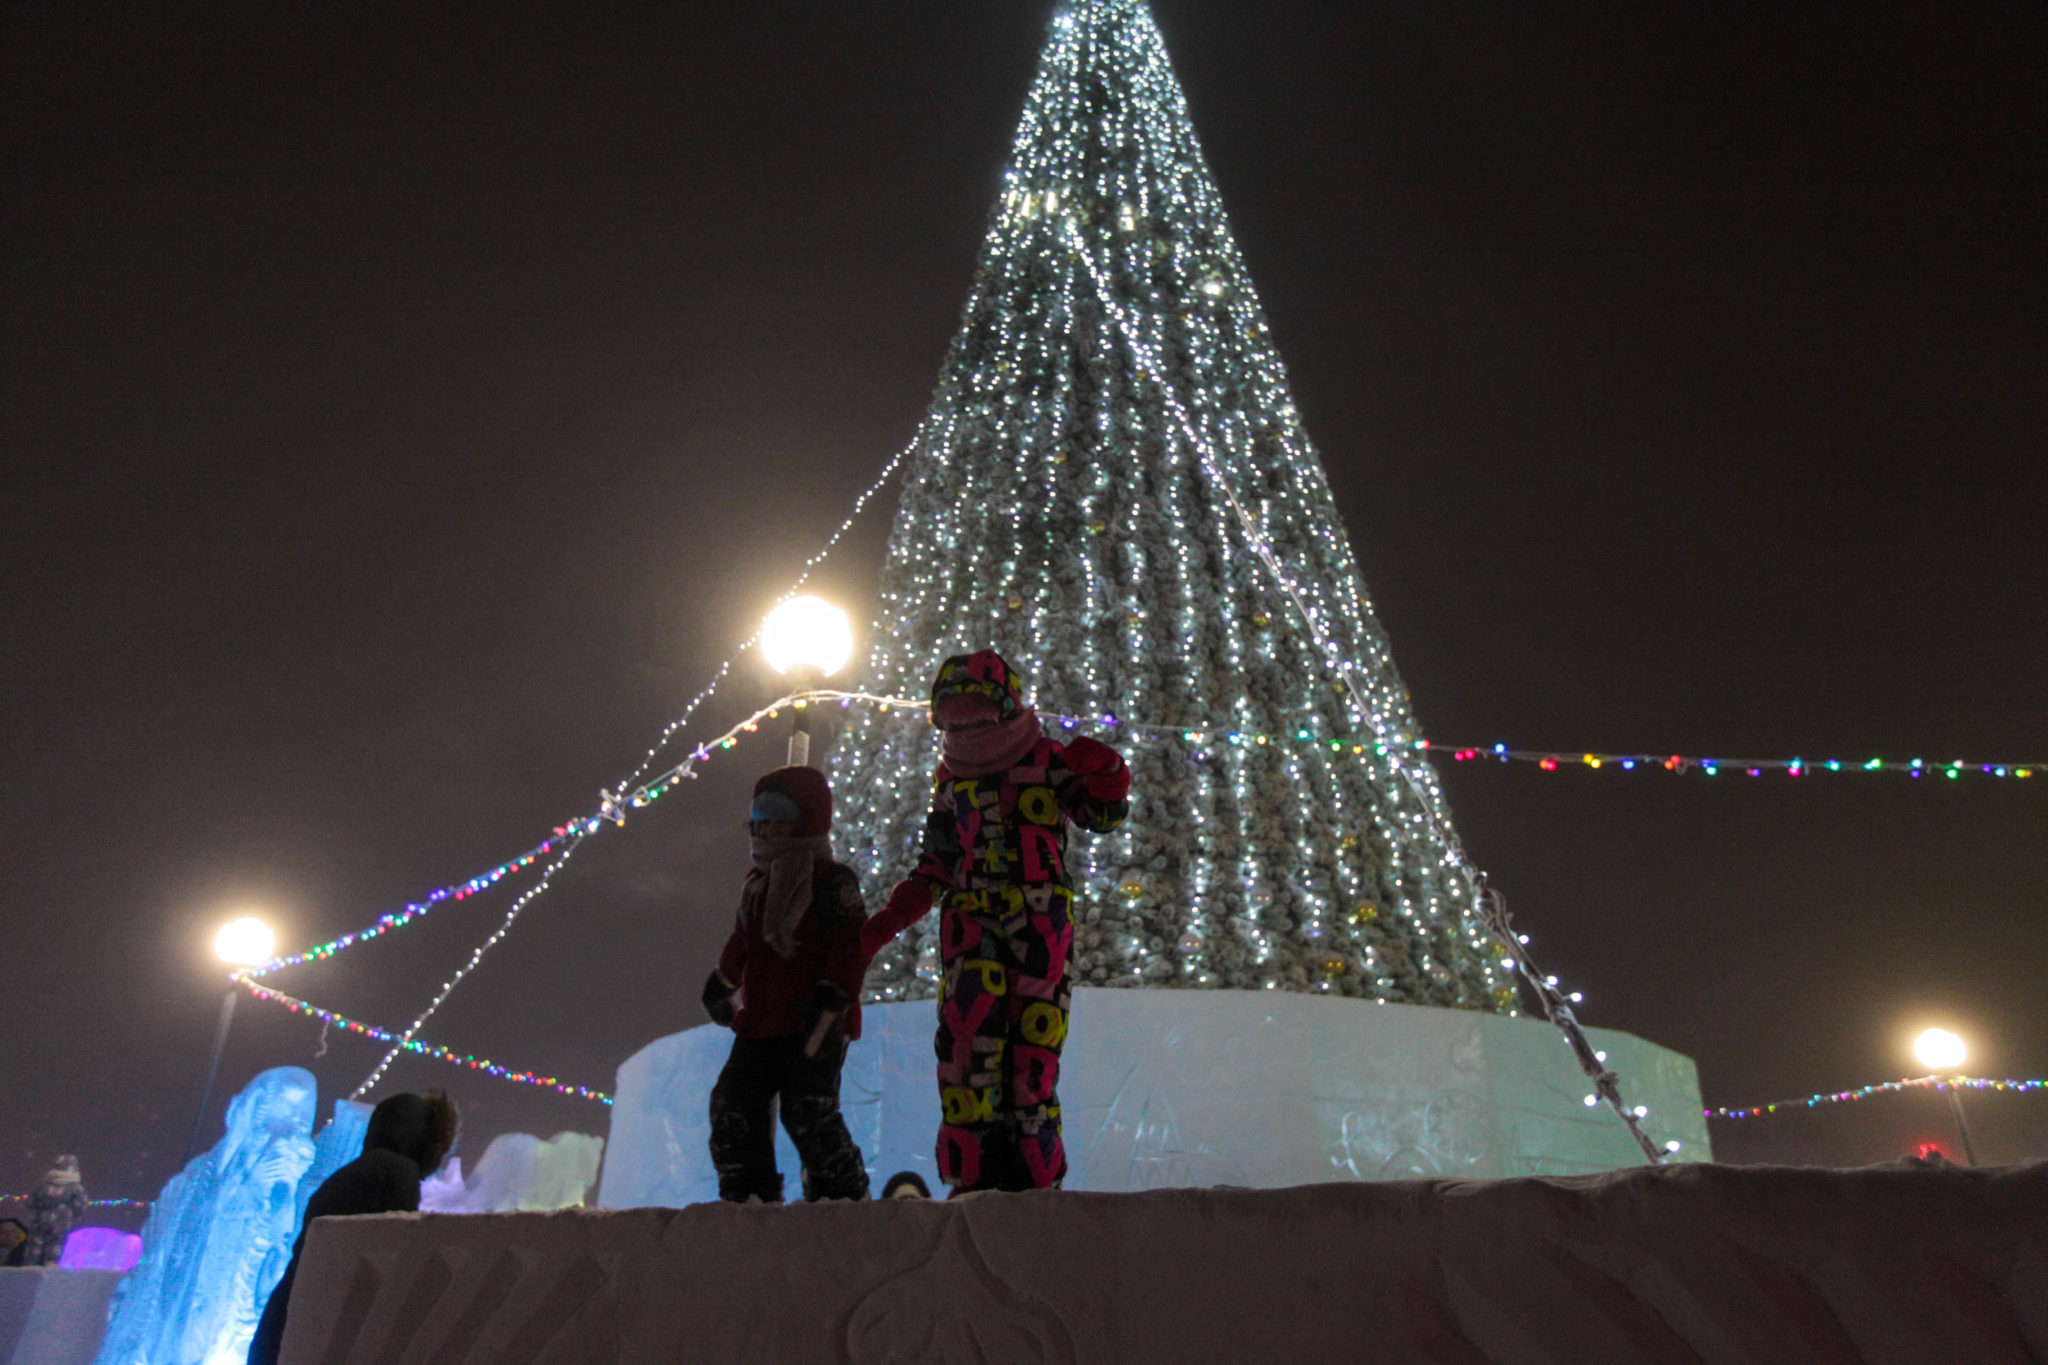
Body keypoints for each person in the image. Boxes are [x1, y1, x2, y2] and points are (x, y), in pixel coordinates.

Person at [884, 649, 1130, 1194]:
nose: (963, 726)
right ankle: (973, 1179)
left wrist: (1108, 774)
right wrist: (886, 922)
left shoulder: (1045, 758)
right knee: (967, 1046)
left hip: (1039, 919)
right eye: (951, 716)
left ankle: (1035, 1182)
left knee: (1031, 1056)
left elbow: (1099, 815)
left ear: (1003, 707)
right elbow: (938, 860)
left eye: (974, 713)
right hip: (970, 921)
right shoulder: (951, 777)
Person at [701, 766, 871, 1203]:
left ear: (807, 819)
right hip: (760, 1021)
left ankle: (843, 1196)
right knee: (732, 1106)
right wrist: (723, 980)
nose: (769, 827)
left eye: (780, 817)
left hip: (813, 1020)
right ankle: (747, 1194)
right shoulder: (757, 884)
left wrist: (833, 995)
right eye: (761, 818)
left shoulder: (832, 881)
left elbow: (849, 944)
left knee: (807, 1110)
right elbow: (745, 940)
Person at [245, 1091, 457, 1365]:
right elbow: (399, 1248)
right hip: (326, 1318)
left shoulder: (352, 1171)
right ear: (424, 1139)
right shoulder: (398, 1171)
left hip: (290, 1306)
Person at [22, 1154, 89, 1266]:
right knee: (56, 1242)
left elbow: (30, 1202)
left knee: (36, 1242)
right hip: (61, 1222)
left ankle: (31, 1263)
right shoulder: (75, 1188)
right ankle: (50, 1263)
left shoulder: (44, 1187)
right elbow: (80, 1205)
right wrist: (74, 1216)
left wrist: (38, 1211)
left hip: (39, 1221)